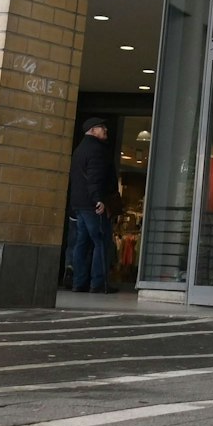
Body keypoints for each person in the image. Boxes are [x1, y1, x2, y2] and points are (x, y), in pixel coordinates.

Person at [66, 117, 120, 294]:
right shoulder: (97, 150)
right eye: (101, 127)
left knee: (81, 243)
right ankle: (99, 283)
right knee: (101, 242)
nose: (106, 130)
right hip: (92, 204)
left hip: (79, 203)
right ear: (92, 130)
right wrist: (99, 200)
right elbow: (95, 178)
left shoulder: (79, 149)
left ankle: (78, 282)